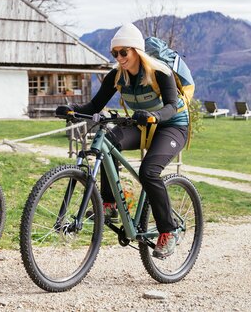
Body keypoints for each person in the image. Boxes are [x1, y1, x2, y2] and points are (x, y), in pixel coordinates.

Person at [56, 22, 189, 258]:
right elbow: (94, 106)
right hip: (143, 123)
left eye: (123, 52)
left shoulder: (160, 72)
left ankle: (168, 230)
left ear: (136, 51)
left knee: (149, 171)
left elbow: (171, 106)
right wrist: (72, 109)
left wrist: (155, 116)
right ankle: (110, 205)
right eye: (114, 53)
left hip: (172, 126)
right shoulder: (116, 76)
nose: (119, 57)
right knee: (106, 142)